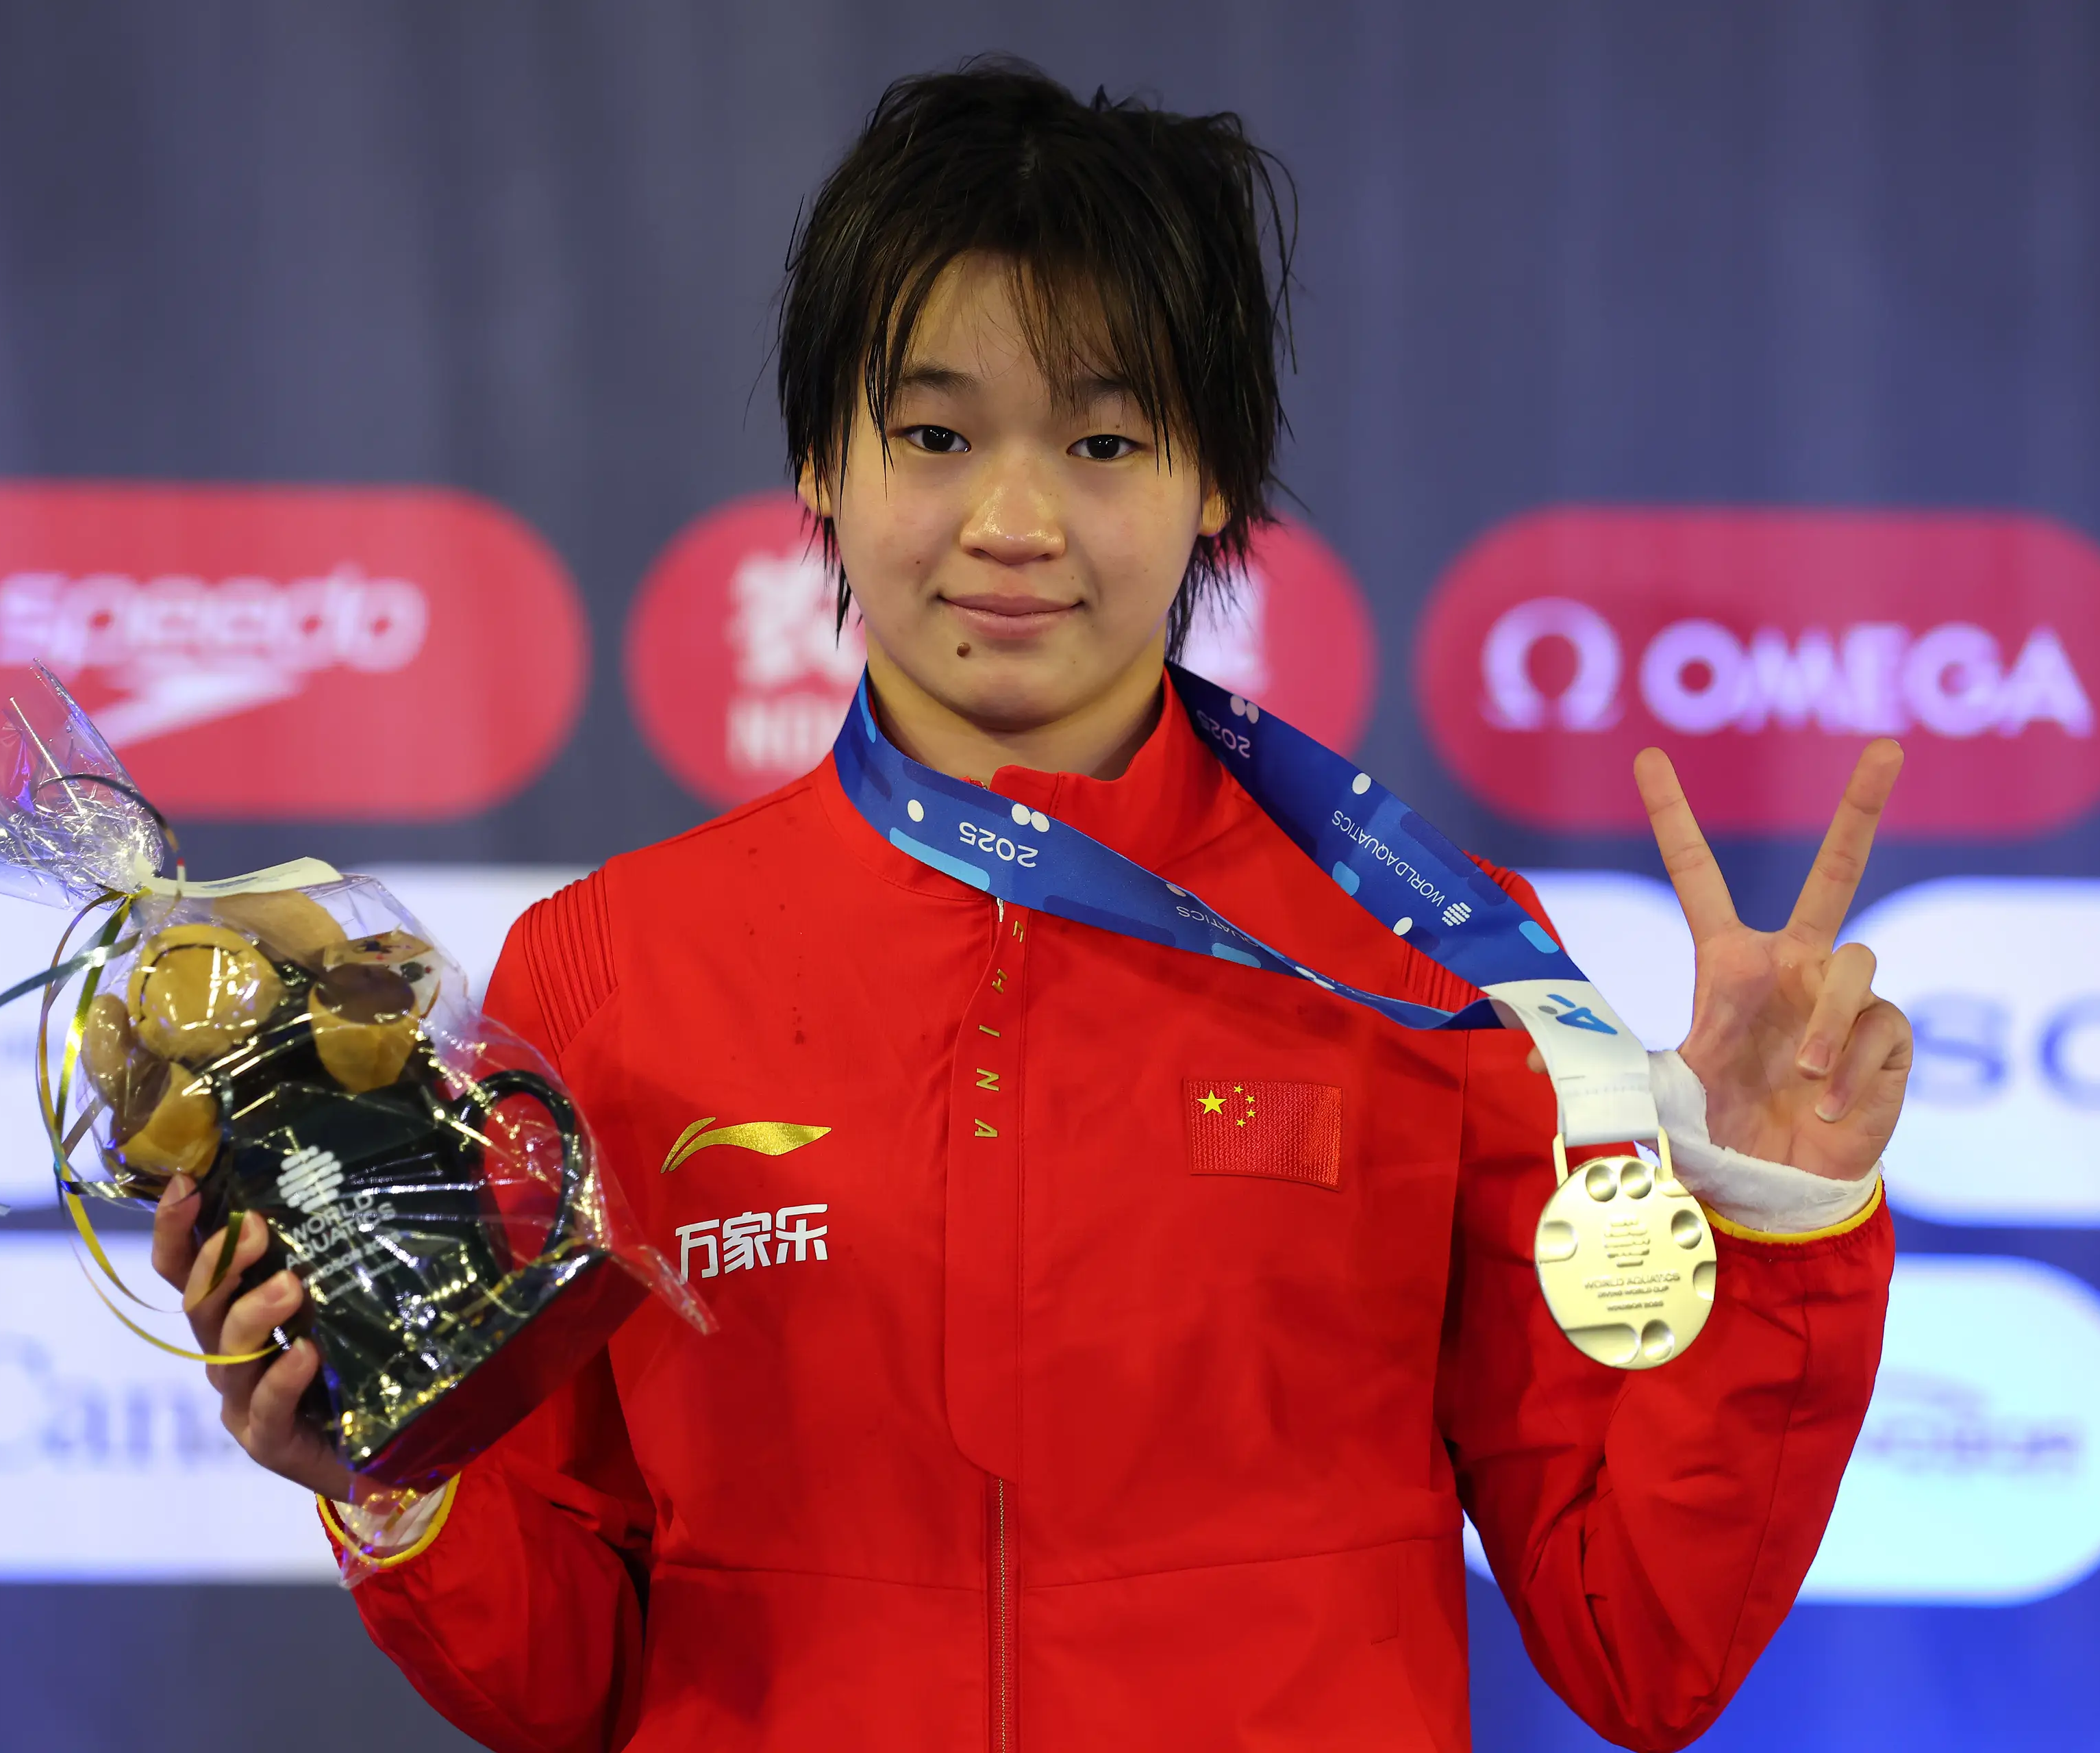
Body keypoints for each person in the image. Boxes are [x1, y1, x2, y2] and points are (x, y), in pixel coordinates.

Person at [153, 61, 1905, 1752]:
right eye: (933, 430)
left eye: (1103, 437)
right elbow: (566, 1680)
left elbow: (1643, 1645)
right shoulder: (610, 972)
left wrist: (1774, 1218)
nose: (1011, 517)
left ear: (1213, 478)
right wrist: (393, 1466)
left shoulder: (1435, 963)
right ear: (822, 468)